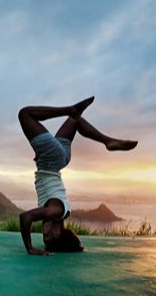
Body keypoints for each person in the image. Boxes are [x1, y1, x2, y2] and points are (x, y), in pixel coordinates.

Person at [18, 96, 137, 256]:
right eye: (48, 237)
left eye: (43, 238)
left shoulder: (64, 211)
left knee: (75, 121)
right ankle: (70, 109)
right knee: (25, 114)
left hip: (61, 159)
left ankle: (107, 141)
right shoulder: (56, 211)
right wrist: (30, 248)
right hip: (52, 160)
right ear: (57, 233)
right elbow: (25, 217)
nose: (44, 234)